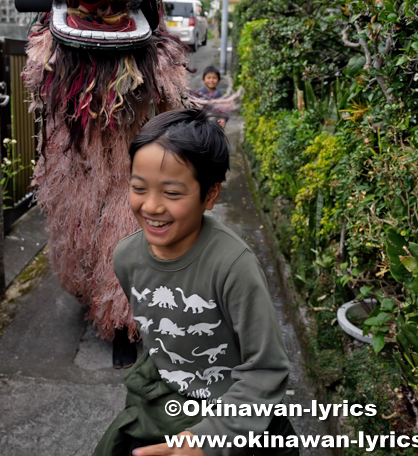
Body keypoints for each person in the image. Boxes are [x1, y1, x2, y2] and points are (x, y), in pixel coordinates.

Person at [94, 108, 295, 456]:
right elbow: (159, 334)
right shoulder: (126, 258)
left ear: (210, 195)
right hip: (165, 398)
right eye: (139, 188)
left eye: (172, 193)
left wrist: (206, 438)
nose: (152, 206)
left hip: (236, 416)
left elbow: (266, 369)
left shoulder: (234, 267)